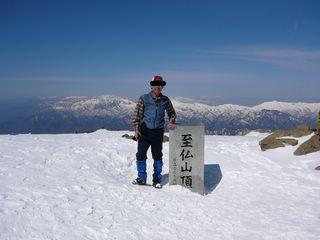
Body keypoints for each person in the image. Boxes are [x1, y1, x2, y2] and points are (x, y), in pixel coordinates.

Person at [132, 75, 176, 188]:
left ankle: (157, 179)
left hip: (157, 132)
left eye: (160, 85)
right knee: (141, 155)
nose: (158, 87)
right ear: (151, 86)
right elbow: (137, 115)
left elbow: (172, 113)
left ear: (162, 87)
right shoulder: (144, 98)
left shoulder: (165, 100)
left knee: (157, 156)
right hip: (144, 131)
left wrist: (171, 121)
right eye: (155, 84)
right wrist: (136, 129)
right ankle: (141, 178)